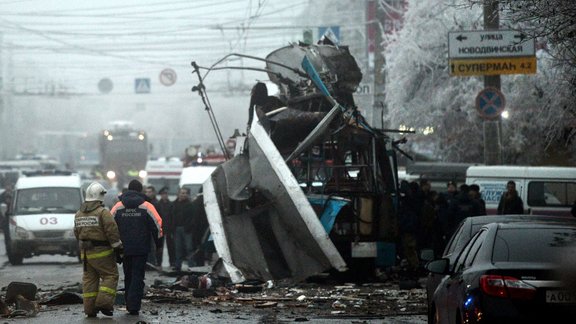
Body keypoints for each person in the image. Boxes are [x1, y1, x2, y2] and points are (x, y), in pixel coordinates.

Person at [112, 180, 163, 316]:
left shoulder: (118, 206)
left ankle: (129, 303)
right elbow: (157, 226)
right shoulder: (147, 206)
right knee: (138, 275)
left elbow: (110, 226)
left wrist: (114, 246)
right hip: (141, 248)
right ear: (141, 190)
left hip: (124, 248)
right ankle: (134, 305)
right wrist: (159, 245)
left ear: (128, 190)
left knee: (128, 275)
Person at [74, 182, 122, 318]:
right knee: (110, 276)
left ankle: (89, 309)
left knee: (90, 280)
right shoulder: (103, 213)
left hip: (85, 254)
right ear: (100, 196)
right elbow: (112, 231)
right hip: (102, 253)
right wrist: (118, 247)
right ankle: (103, 303)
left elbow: (76, 233)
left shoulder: (79, 214)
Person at [172, 187, 196, 271]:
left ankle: (191, 266)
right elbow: (171, 216)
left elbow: (193, 218)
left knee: (189, 248)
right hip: (177, 228)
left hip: (186, 229)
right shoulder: (174, 204)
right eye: (182, 193)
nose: (183, 194)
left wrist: (189, 227)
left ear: (188, 195)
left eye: (185, 193)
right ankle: (178, 265)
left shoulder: (190, 205)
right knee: (178, 248)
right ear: (178, 194)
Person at [157, 186, 175, 268]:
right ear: (161, 195)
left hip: (169, 228)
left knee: (171, 247)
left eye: (166, 194)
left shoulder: (171, 204)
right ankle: (158, 263)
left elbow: (173, 217)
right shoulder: (157, 204)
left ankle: (172, 263)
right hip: (160, 228)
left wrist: (172, 228)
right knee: (159, 247)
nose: (165, 195)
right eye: (163, 194)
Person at [144, 186, 161, 267]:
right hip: (145, 229)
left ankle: (153, 263)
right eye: (146, 192)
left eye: (150, 192)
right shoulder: (143, 203)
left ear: (153, 192)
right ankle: (148, 264)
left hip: (154, 228)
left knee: (153, 247)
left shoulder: (156, 203)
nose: (148, 194)